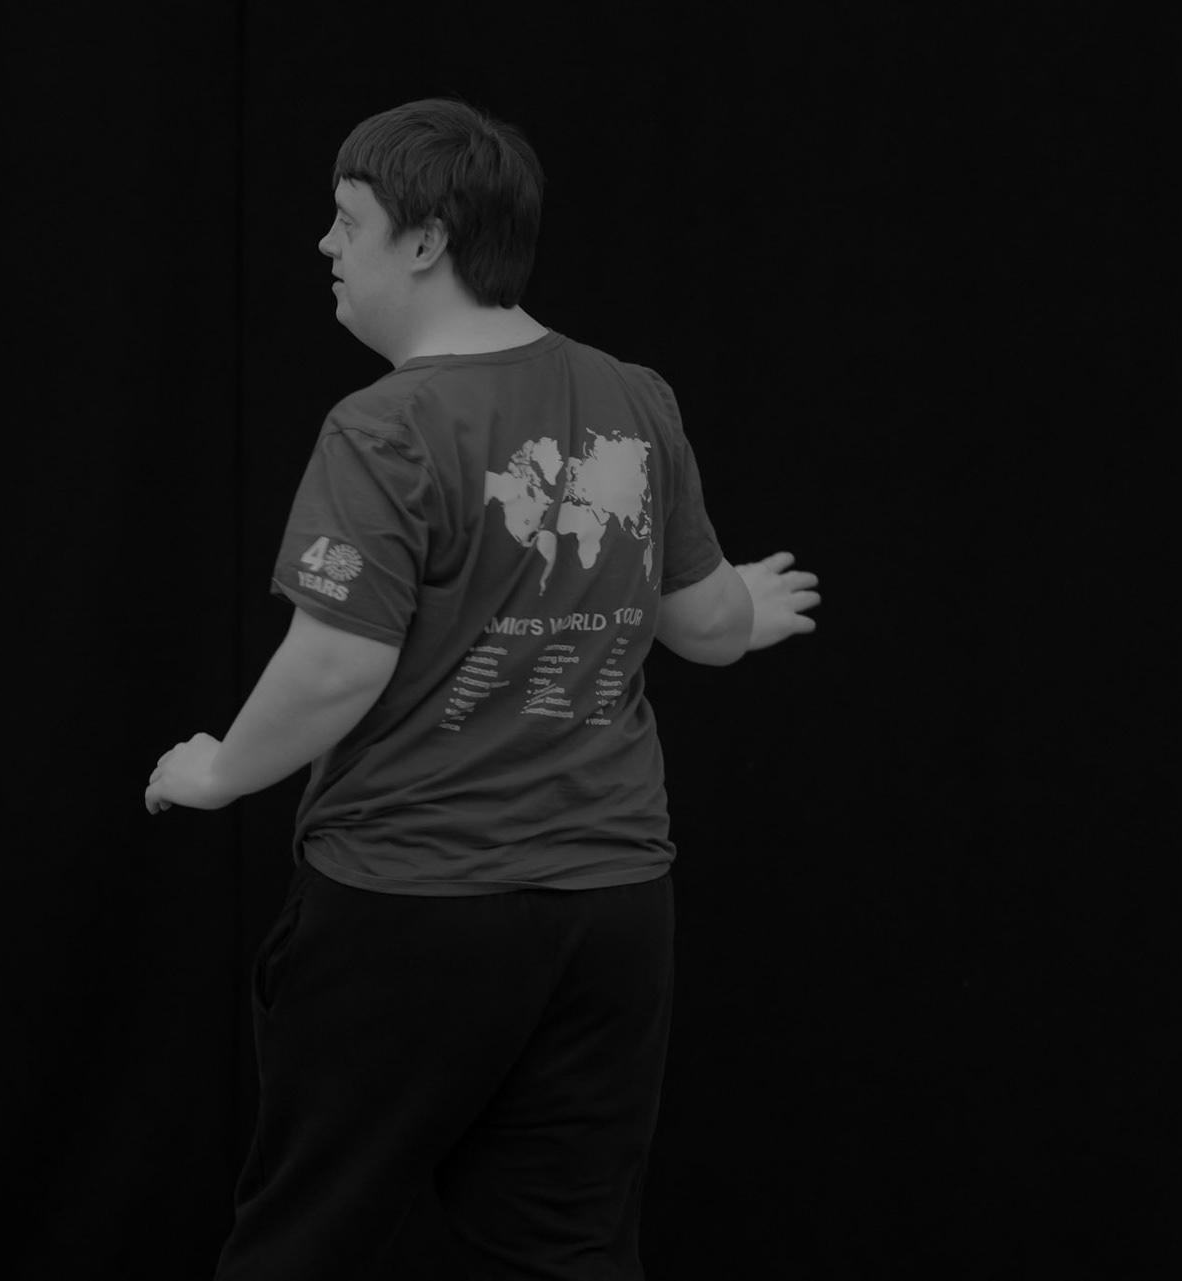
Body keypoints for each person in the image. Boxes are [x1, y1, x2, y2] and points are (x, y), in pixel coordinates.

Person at [144, 95, 820, 1281]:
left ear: (426, 240)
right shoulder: (632, 398)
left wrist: (215, 773)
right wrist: (747, 613)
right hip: (611, 914)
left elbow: (336, 665)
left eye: (347, 220)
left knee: (309, 1241)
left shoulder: (387, 428)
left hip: (416, 904)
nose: (324, 245)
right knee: (565, 1251)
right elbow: (706, 628)